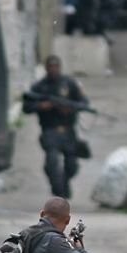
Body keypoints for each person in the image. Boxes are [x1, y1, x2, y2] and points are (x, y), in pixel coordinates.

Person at [22, 55, 91, 199]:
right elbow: (26, 106)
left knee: (72, 166)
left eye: (56, 67)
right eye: (50, 67)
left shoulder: (69, 83)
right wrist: (42, 106)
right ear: (46, 68)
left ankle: (64, 182)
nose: (53, 70)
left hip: (68, 130)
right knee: (52, 162)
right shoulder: (40, 87)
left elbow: (83, 102)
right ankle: (59, 191)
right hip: (50, 130)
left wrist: (71, 109)